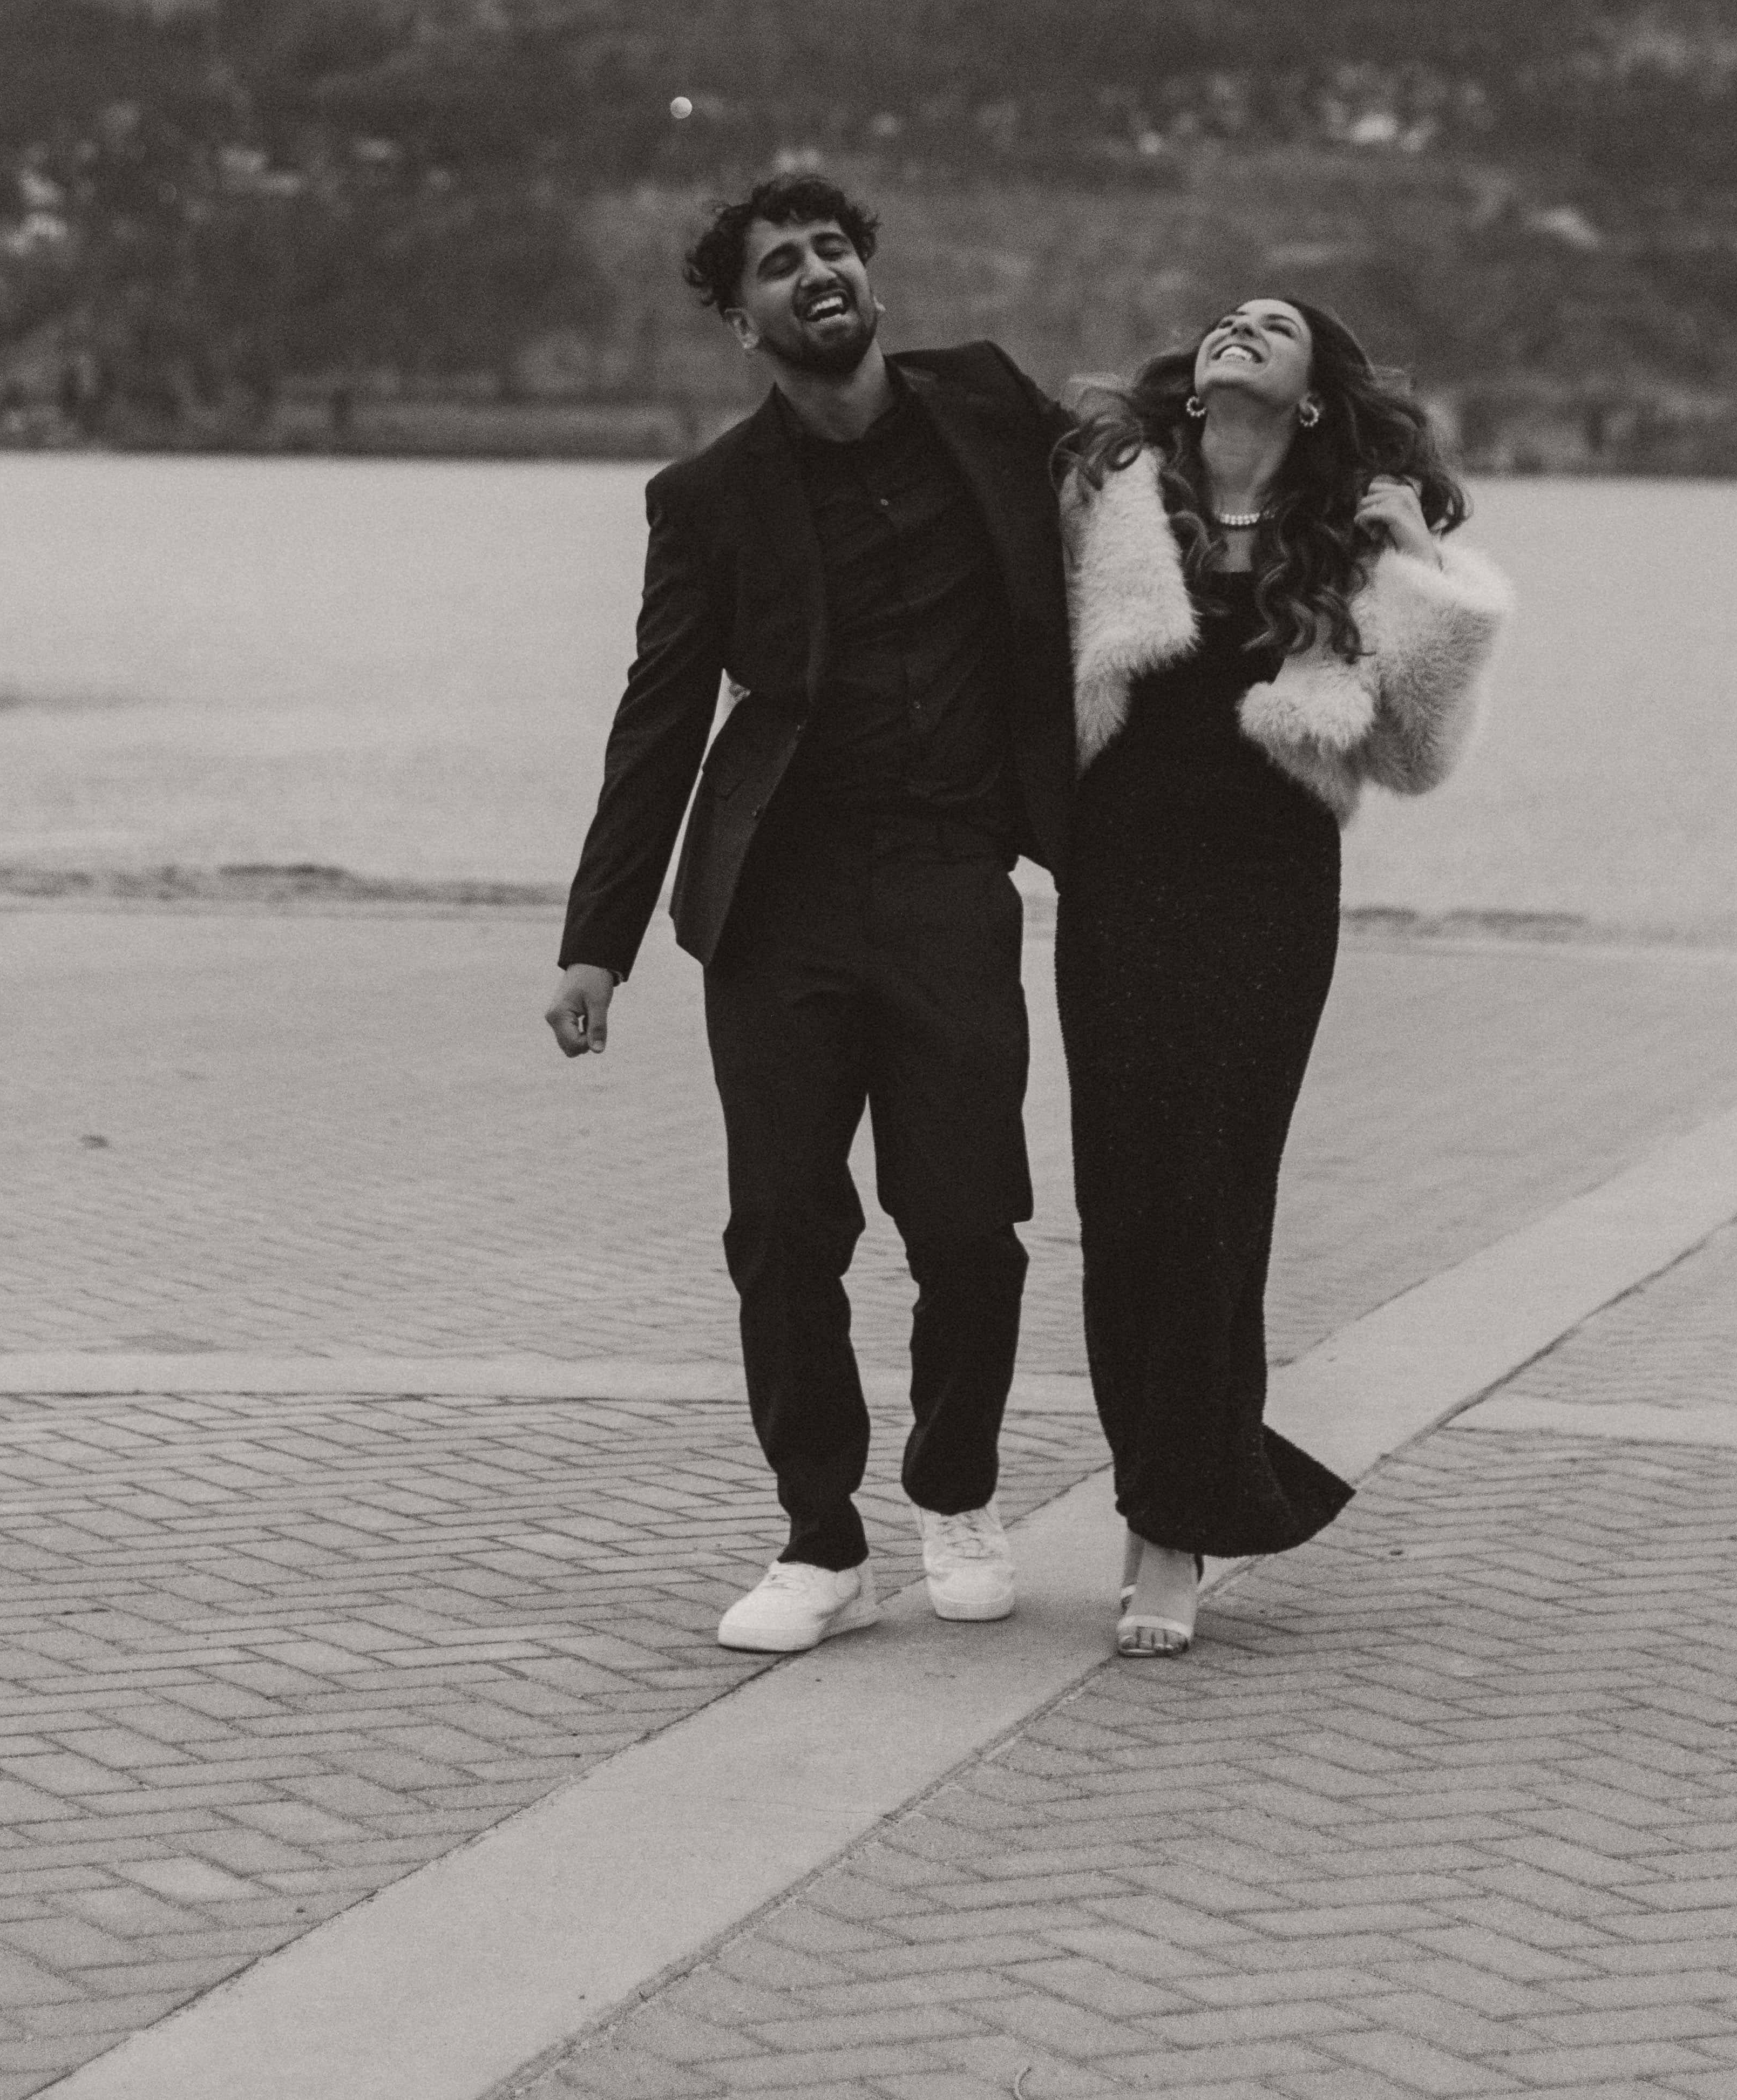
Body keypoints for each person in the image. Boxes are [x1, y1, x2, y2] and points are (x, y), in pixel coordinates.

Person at [545, 172, 1075, 1655]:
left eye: (833, 247)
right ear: (742, 321)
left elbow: (1141, 515)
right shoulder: (708, 500)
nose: (816, 273)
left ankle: (957, 1491)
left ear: (871, 275)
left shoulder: (986, 405)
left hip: (949, 883)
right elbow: (658, 718)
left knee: (973, 1223)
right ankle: (818, 1535)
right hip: (778, 902)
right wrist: (600, 939)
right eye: (780, 265)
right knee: (784, 1227)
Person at [1057, 293, 1511, 1656]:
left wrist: (1420, 562)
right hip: (1119, 887)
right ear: (1194, 382)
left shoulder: (1352, 546)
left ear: (1315, 393)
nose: (1235, 328)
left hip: (1266, 899)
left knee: (1211, 1194)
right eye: (1223, 320)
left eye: (1271, 323)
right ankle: (1181, 1466)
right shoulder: (1107, 502)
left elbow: (1416, 756)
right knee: (1121, 1197)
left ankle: (1168, 1524)